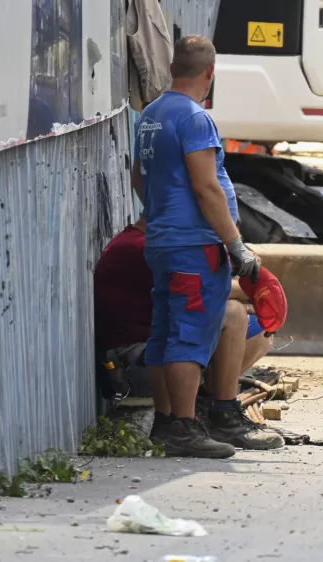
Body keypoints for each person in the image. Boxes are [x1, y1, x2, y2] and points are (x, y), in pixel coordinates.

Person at [127, 35, 269, 458]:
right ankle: (184, 428)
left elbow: (139, 176)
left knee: (165, 332)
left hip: (164, 242)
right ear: (210, 74)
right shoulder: (195, 119)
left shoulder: (151, 114)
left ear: (173, 69)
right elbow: (207, 186)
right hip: (195, 245)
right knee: (190, 333)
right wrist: (235, 245)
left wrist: (159, 213)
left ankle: (166, 424)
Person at [94, 215, 283, 452]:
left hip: (147, 355)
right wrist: (248, 283)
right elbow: (212, 289)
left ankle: (206, 409)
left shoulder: (153, 241)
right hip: (130, 369)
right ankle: (216, 415)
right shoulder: (142, 248)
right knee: (233, 314)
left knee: (256, 327)